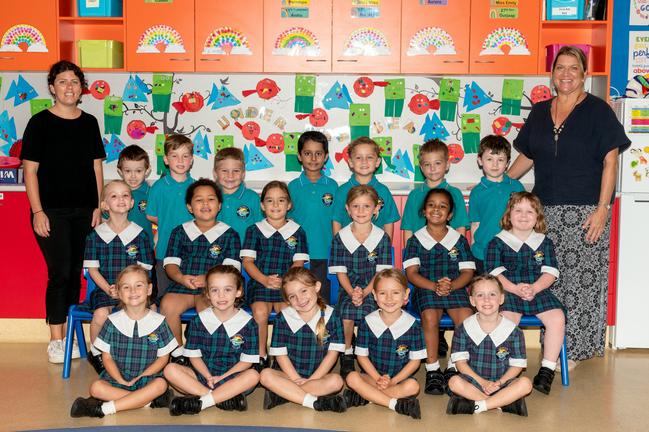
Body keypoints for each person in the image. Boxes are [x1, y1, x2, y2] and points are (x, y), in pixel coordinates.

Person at [510, 46, 630, 367]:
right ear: (552, 74)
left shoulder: (598, 111)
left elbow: (610, 161)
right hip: (543, 213)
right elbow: (527, 156)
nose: (565, 74)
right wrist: (500, 186)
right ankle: (553, 346)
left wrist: (603, 208)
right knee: (548, 278)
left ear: (584, 74)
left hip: (585, 211)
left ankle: (574, 352)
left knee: (581, 282)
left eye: (572, 68)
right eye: (559, 67)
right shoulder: (539, 112)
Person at [21, 60, 105, 363]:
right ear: (52, 88)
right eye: (62, 82)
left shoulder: (90, 122)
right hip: (51, 211)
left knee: (75, 276)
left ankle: (71, 334)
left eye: (74, 81)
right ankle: (56, 339)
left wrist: (98, 205)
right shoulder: (40, 122)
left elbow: (96, 166)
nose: (69, 87)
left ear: (81, 88)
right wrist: (37, 211)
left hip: (85, 211)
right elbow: (30, 171)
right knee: (60, 273)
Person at [70, 265, 178, 418]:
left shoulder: (159, 322)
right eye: (126, 287)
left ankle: (105, 409)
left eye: (138, 285)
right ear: (118, 293)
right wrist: (120, 379)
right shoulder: (111, 322)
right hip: (118, 377)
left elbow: (163, 358)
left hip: (148, 377)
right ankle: (147, 401)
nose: (133, 291)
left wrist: (142, 377)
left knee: (160, 385)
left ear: (149, 289)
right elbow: (106, 357)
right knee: (96, 388)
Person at [485, 192, 565, 394]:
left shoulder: (544, 242)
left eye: (530, 211)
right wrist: (514, 288)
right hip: (508, 290)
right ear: (508, 215)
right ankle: (506, 370)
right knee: (507, 320)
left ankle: (547, 370)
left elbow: (550, 272)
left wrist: (535, 288)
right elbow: (495, 273)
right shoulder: (498, 242)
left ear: (537, 217)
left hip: (538, 289)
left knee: (557, 317)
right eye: (518, 210)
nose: (523, 215)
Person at [403, 188, 475, 395]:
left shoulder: (459, 240)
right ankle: (433, 368)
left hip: (456, 286)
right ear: (424, 211)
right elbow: (411, 273)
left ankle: (453, 366)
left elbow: (468, 271)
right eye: (432, 205)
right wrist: (434, 286)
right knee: (430, 316)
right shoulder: (415, 241)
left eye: (443, 206)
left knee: (466, 316)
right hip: (426, 287)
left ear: (450, 214)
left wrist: (452, 285)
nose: (437, 209)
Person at [160, 179, 241, 361]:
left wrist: (208, 279)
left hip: (213, 289)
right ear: (190, 207)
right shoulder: (179, 232)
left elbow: (231, 269)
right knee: (168, 305)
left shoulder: (229, 234)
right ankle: (178, 353)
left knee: (210, 309)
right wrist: (181, 278)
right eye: (199, 200)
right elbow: (171, 264)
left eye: (211, 199)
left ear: (219, 205)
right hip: (183, 286)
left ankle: (204, 353)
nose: (205, 204)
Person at [164, 265, 260, 415]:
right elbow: (194, 356)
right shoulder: (198, 320)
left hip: (233, 378)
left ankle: (202, 402)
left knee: (253, 376)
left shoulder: (249, 323)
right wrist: (208, 376)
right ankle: (220, 398)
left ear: (238, 292)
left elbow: (247, 362)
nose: (221, 296)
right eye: (215, 290)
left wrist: (223, 377)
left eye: (227, 290)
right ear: (207, 294)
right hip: (203, 376)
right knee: (170, 370)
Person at [83, 180, 154, 374]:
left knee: (153, 309)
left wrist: (131, 289)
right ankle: (96, 352)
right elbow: (93, 270)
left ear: (132, 202)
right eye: (114, 196)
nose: (120, 199)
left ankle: (146, 355)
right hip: (106, 290)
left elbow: (144, 270)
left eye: (125, 195)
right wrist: (108, 288)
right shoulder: (95, 236)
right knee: (101, 314)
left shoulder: (140, 235)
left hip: (135, 290)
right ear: (105, 205)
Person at [260, 267, 347, 412]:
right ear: (287, 300)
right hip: (288, 375)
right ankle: (313, 402)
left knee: (337, 382)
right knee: (265, 375)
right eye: (292, 296)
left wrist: (313, 379)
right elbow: (281, 355)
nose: (299, 299)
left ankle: (285, 394)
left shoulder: (332, 315)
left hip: (318, 376)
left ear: (317, 287)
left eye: (304, 291)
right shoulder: (283, 318)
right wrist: (294, 379)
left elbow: (332, 355)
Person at [241, 181, 309, 367]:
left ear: (289, 205)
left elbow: (298, 263)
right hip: (260, 284)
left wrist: (285, 283)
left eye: (281, 200)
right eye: (270, 201)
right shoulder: (254, 230)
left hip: (287, 285)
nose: (276, 205)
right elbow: (247, 262)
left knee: (286, 312)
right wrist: (264, 279)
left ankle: (282, 355)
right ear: (262, 206)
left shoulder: (297, 231)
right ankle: (261, 356)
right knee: (261, 312)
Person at [328, 185, 393, 378]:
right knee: (346, 312)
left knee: (371, 313)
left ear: (376, 209)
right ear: (347, 209)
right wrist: (352, 293)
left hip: (374, 288)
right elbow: (340, 272)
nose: (361, 211)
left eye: (366, 206)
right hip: (347, 288)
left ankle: (368, 353)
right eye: (356, 206)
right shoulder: (340, 237)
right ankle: (347, 353)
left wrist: (365, 292)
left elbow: (382, 273)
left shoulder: (382, 237)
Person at [344, 268, 425, 420]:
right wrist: (378, 379)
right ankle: (393, 404)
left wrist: (393, 381)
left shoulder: (413, 325)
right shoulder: (367, 322)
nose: (389, 298)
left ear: (406, 294)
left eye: (395, 292)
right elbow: (362, 357)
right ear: (374, 295)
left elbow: (415, 362)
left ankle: (367, 396)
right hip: (373, 377)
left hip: (399, 379)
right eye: (382, 293)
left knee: (413, 387)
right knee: (351, 378)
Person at [446, 274, 532, 416]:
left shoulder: (514, 331)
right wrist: (483, 383)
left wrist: (499, 383)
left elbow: (517, 366)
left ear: (501, 298)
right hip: (474, 382)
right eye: (480, 295)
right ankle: (502, 403)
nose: (486, 299)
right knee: (454, 382)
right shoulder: (463, 328)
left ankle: (480, 405)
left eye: (492, 294)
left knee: (526, 384)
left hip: (503, 383)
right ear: (472, 301)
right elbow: (461, 364)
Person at [288, 131, 338, 303]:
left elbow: (337, 220)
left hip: (326, 253)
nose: (313, 158)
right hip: (299, 255)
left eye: (318, 153)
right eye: (308, 153)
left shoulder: (332, 186)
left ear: (325, 157)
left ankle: (322, 330)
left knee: (322, 300)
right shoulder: (293, 187)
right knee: (300, 301)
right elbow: (286, 222)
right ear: (300, 156)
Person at [146, 134, 195, 300]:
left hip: (192, 251)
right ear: (166, 160)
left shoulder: (196, 187)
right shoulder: (158, 188)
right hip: (165, 250)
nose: (180, 161)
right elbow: (151, 215)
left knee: (191, 295)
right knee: (165, 297)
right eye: (175, 156)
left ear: (191, 160)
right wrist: (170, 222)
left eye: (185, 156)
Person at [469, 135, 525, 274]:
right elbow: (475, 224)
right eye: (489, 159)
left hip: (511, 251)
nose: (495, 164)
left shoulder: (517, 187)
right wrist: (473, 248)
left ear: (507, 163)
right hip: (483, 253)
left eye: (500, 160)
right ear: (480, 161)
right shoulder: (477, 192)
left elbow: (525, 219)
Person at [331, 137, 400, 241]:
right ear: (350, 162)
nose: (364, 161)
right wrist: (338, 244)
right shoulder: (342, 191)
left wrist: (387, 247)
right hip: (348, 247)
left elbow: (388, 221)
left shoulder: (383, 191)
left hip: (376, 248)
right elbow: (336, 220)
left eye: (369, 157)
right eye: (358, 157)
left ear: (377, 162)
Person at [402, 139, 469, 240]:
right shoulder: (414, 195)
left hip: (448, 253)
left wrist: (459, 254)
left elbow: (460, 228)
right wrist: (409, 255)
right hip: (420, 253)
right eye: (427, 164)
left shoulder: (455, 193)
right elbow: (408, 229)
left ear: (447, 165)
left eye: (437, 163)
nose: (432, 168)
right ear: (421, 168)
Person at [213, 147, 263, 242]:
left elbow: (261, 229)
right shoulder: (210, 198)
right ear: (215, 174)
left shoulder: (253, 198)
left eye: (236, 171)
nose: (230, 175)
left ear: (243, 174)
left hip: (244, 254)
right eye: (224, 171)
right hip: (216, 253)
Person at [117, 145, 153, 251]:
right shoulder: (115, 192)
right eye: (128, 171)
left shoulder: (151, 193)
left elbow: (163, 220)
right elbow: (106, 217)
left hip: (144, 247)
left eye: (138, 171)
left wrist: (154, 241)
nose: (133, 176)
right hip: (119, 247)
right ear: (120, 171)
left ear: (147, 171)